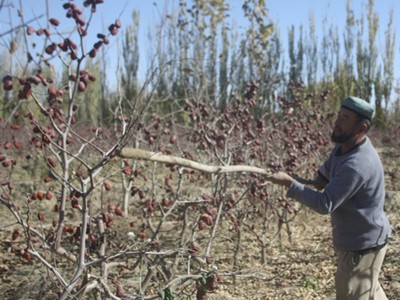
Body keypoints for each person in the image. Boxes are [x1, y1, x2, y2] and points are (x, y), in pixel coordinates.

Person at [267, 96, 391, 300]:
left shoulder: (357, 164)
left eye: (345, 118)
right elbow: (325, 177)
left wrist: (290, 184)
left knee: (352, 293)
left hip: (363, 247)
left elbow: (325, 203)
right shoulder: (344, 147)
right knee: (370, 292)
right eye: (339, 116)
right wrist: (300, 179)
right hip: (363, 239)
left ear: (361, 128)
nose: (338, 122)